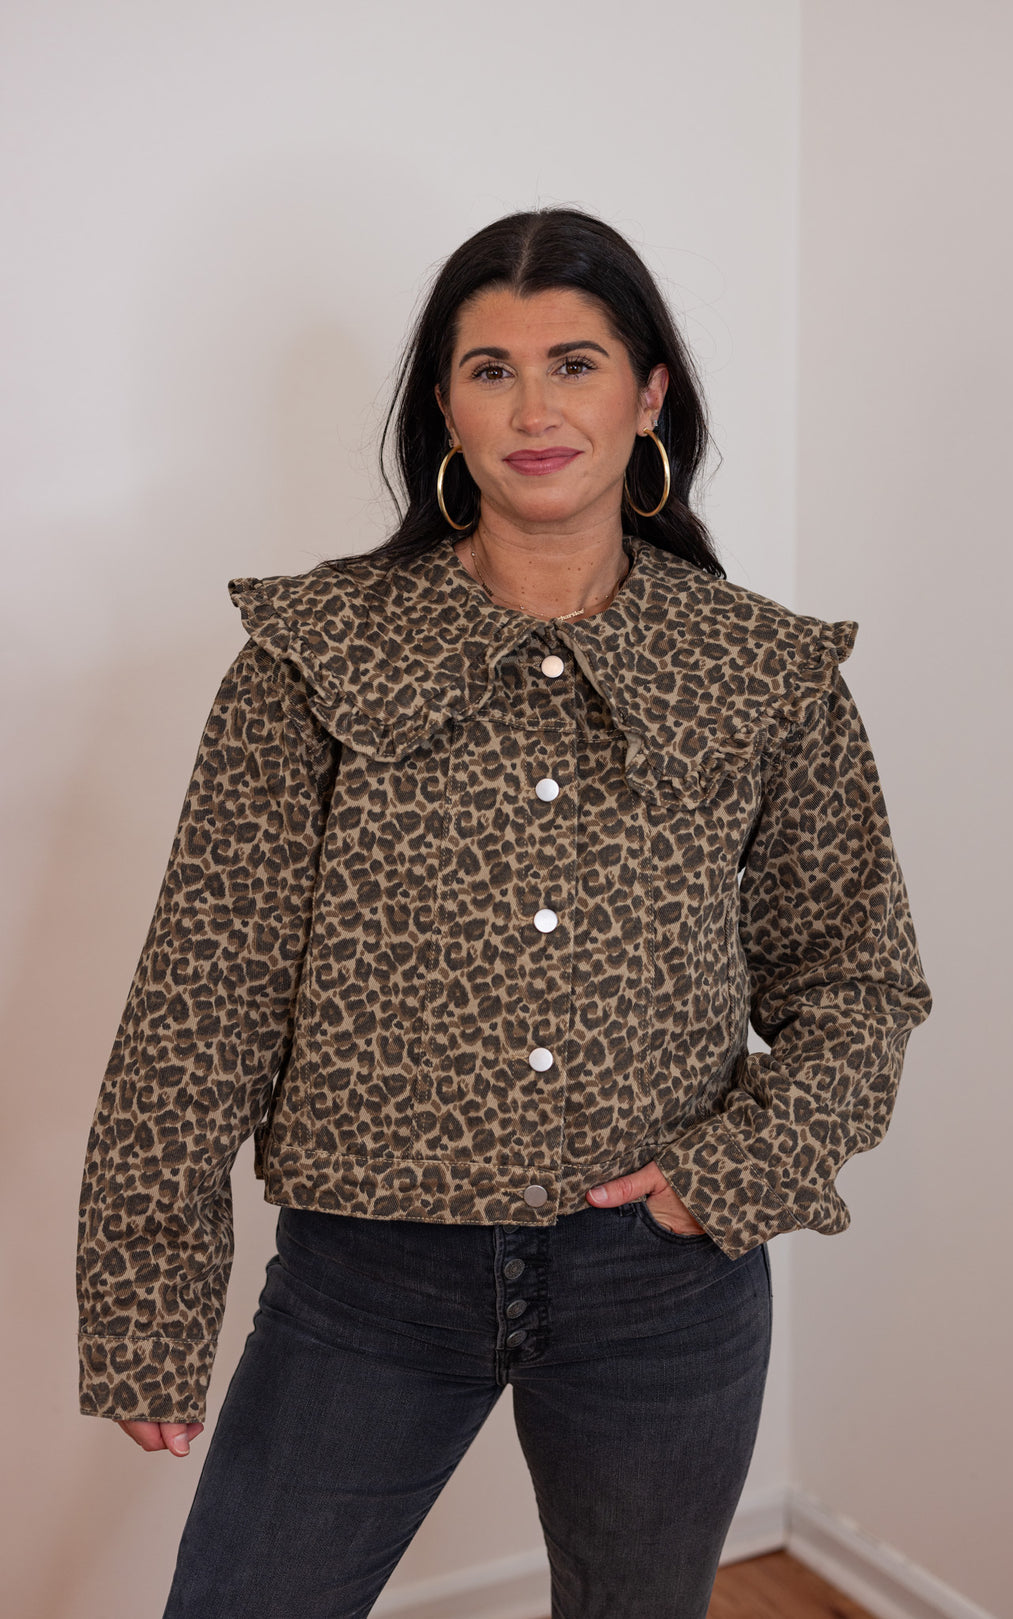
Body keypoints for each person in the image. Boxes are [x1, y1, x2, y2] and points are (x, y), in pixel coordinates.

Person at [76, 208, 932, 1619]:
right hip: (364, 1280)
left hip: (666, 1285)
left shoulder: (761, 672)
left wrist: (729, 1177)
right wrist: (148, 1306)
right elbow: (202, 993)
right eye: (492, 370)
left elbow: (857, 976)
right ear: (444, 406)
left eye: (575, 364)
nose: (535, 412)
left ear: (648, 395)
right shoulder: (315, 654)